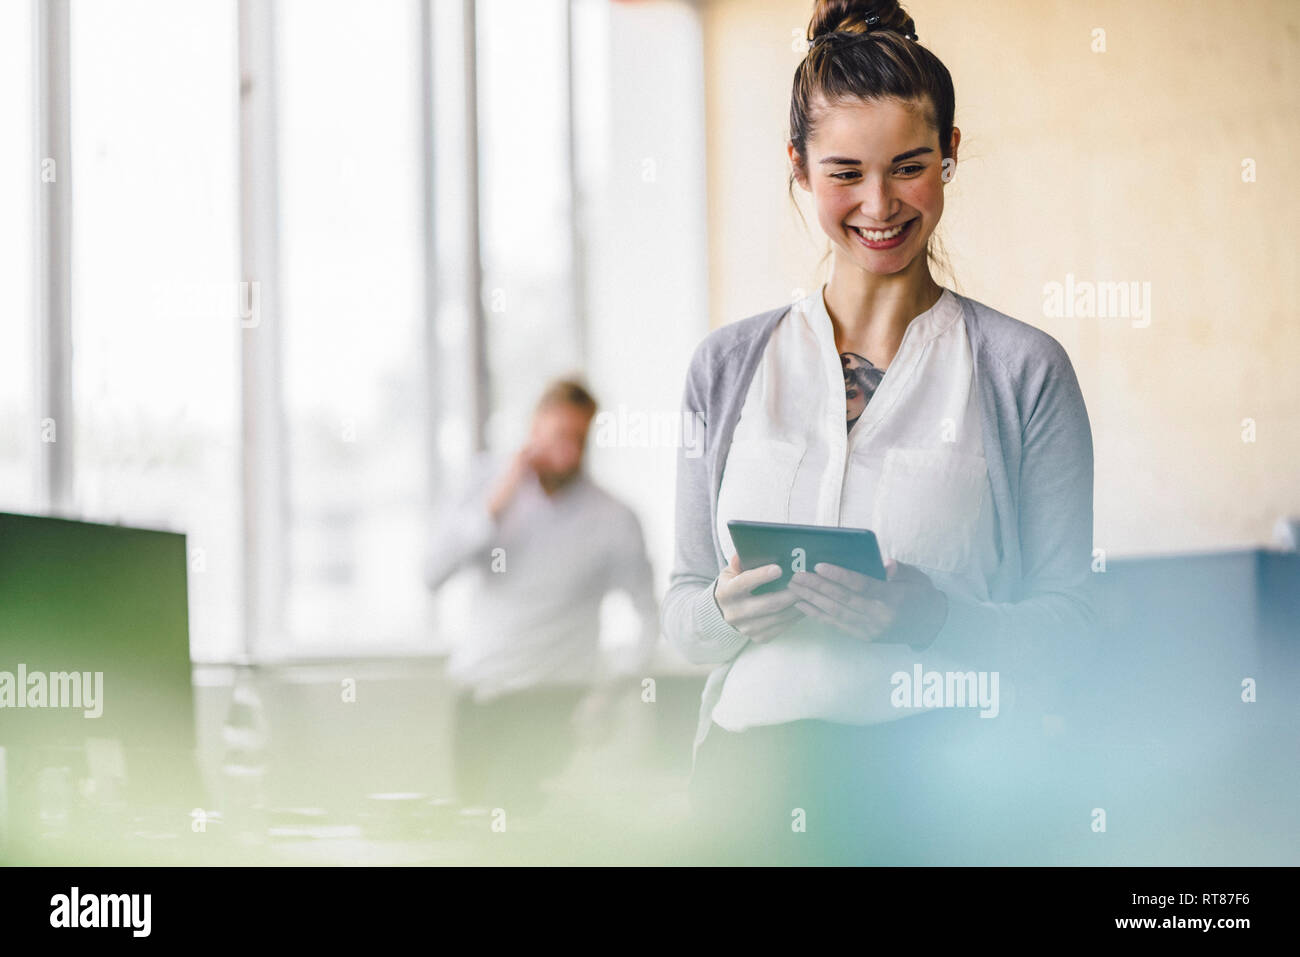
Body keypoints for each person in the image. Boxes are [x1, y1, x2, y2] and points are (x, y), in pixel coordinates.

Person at [662, 0, 1098, 865]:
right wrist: (724, 609)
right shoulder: (725, 366)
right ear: (797, 166)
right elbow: (680, 611)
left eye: (909, 167)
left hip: (944, 791)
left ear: (951, 155)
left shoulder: (1023, 370)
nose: (879, 205)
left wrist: (926, 615)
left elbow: (1073, 627)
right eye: (844, 173)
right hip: (748, 787)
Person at [425, 378, 660, 817]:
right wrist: (498, 503)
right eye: (556, 436)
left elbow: (649, 616)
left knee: (522, 836)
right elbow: (432, 574)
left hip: (552, 706)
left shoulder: (614, 518)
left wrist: (610, 691)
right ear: (533, 428)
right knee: (472, 837)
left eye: (578, 439)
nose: (566, 452)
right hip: (477, 700)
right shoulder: (486, 488)